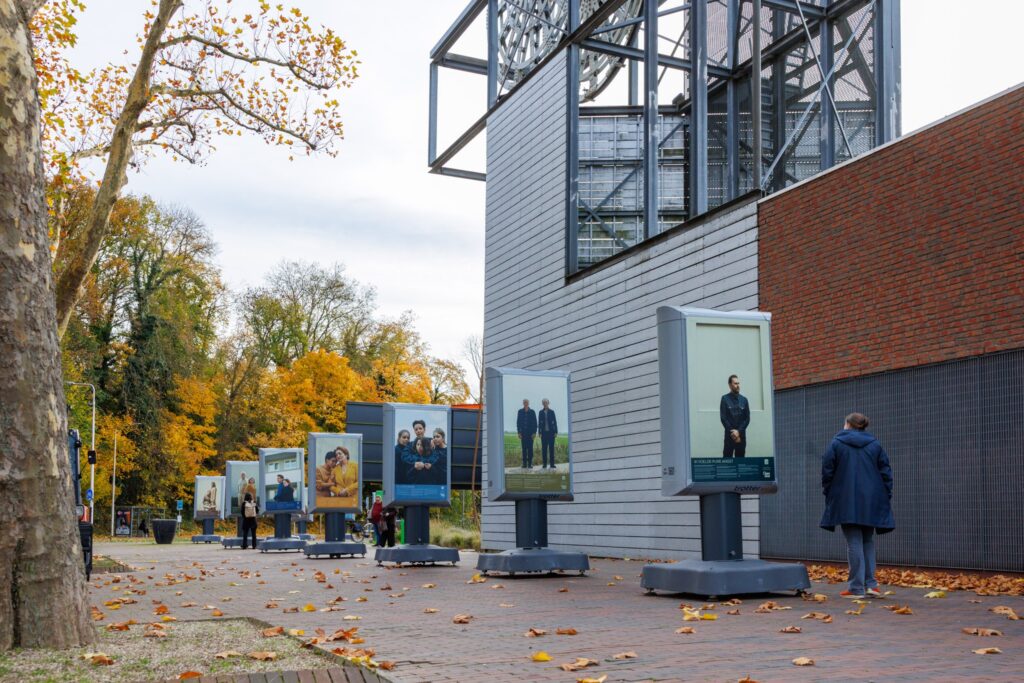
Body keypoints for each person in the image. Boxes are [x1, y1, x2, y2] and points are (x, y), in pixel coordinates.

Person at [820, 412, 895, 599]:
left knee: (853, 541)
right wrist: (885, 495)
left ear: (847, 424)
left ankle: (856, 588)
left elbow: (827, 471)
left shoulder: (836, 443)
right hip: (872, 499)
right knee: (867, 540)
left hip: (846, 499)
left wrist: (830, 493)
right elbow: (886, 472)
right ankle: (872, 585)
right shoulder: (875, 444)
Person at [720, 374, 750, 457]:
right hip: (729, 437)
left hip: (741, 437)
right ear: (730, 385)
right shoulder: (725, 399)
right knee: (727, 462)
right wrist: (733, 433)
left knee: (740, 463)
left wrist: (738, 432)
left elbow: (747, 419)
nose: (738, 385)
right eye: (735, 383)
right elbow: (723, 418)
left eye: (738, 383)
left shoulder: (744, 400)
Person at [516, 398, 538, 469]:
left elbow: (535, 423)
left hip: (530, 434)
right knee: (524, 449)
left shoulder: (532, 412)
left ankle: (530, 463)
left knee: (530, 449)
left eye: (526, 402)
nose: (525, 403)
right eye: (524, 402)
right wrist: (519, 432)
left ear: (528, 403)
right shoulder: (520, 411)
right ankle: (524, 464)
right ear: (523, 403)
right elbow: (518, 423)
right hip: (523, 434)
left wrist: (534, 433)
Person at [538, 398, 558, 469]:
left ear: (548, 403)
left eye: (546, 402)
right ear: (542, 404)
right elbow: (539, 423)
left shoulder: (552, 412)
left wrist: (556, 432)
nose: (545, 404)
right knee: (544, 449)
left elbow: (555, 422)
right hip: (544, 433)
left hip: (551, 433)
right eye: (543, 403)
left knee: (551, 449)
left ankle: (552, 464)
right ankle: (544, 464)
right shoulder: (540, 412)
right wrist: (539, 432)